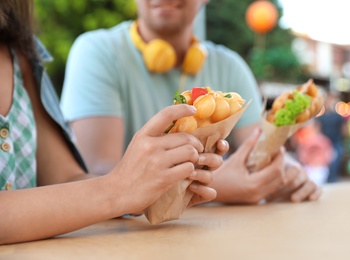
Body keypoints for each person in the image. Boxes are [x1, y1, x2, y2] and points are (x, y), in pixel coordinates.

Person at [0, 0, 227, 245]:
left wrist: (149, 185)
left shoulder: (20, 52)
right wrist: (117, 190)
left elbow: (65, 180)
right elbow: (108, 189)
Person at [60, 0, 321, 204]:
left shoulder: (230, 66)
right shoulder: (96, 51)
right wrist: (214, 184)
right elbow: (96, 175)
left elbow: (256, 158)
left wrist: (281, 174)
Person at [316, 91, 346, 183]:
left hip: (335, 142)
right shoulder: (321, 117)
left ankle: (333, 180)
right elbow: (317, 129)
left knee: (335, 162)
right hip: (325, 143)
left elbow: (343, 129)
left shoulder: (338, 116)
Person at [293, 120, 334, 186]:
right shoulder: (308, 141)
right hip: (311, 169)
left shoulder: (322, 140)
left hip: (319, 169)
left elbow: (302, 156)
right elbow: (329, 156)